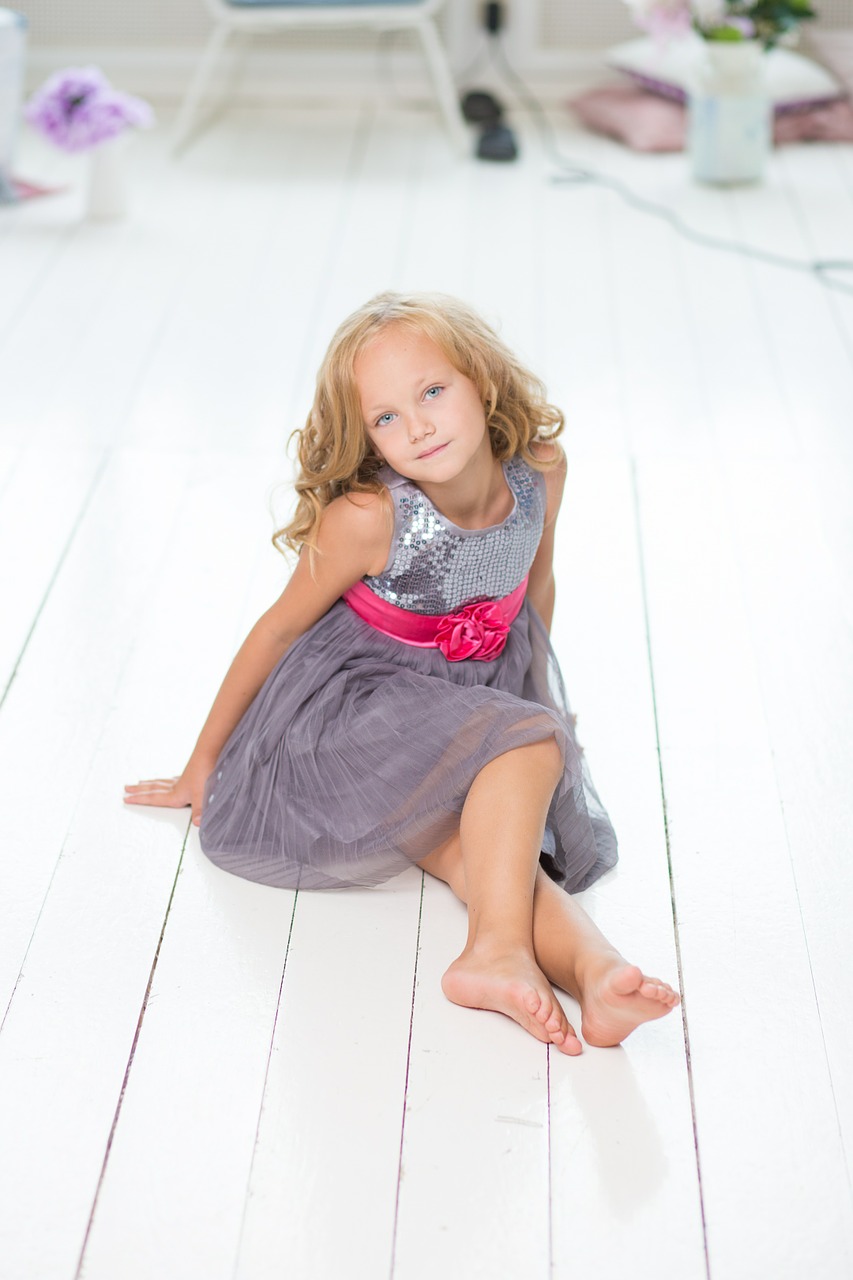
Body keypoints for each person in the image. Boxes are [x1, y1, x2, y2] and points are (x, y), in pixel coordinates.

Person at [124, 291, 680, 1055]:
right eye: (385, 417)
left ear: (479, 382)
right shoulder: (369, 516)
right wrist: (203, 759)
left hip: (461, 700)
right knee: (524, 747)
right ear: (365, 436)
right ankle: (502, 953)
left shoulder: (540, 473)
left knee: (481, 847)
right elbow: (277, 628)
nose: (415, 425)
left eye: (431, 392)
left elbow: (533, 593)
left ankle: (592, 969)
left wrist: (537, 695)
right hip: (348, 716)